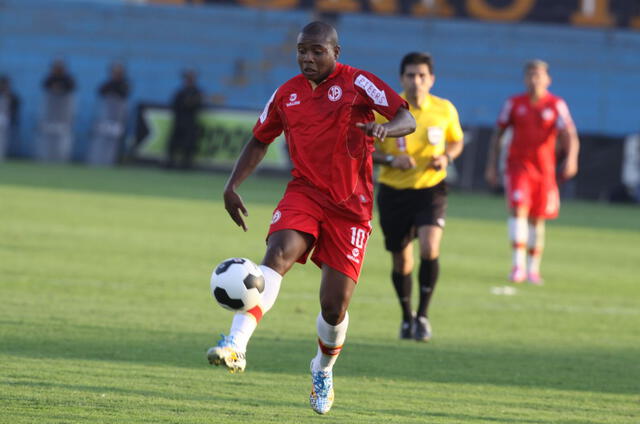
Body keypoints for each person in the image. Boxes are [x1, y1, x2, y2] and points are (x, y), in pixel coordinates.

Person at [207, 21, 415, 415]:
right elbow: (259, 139)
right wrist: (232, 185)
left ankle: (322, 368)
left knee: (334, 307)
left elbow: (408, 117)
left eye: (317, 50)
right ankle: (236, 344)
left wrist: (386, 129)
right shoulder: (286, 94)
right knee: (278, 254)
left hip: (351, 209)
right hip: (304, 193)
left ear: (336, 52)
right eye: (302, 50)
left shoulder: (358, 83)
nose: (307, 57)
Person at [372, 52, 464, 342]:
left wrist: (446, 157)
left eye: (422, 75)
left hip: (430, 188)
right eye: (411, 75)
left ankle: (423, 317)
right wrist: (390, 161)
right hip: (393, 192)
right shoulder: (387, 110)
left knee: (429, 247)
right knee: (402, 262)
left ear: (431, 79)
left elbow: (456, 139)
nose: (416, 80)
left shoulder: (444, 109)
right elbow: (365, 148)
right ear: (401, 79)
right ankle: (406, 317)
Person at [485, 60, 580, 284]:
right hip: (518, 167)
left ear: (548, 80)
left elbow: (570, 134)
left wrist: (572, 159)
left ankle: (533, 270)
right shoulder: (514, 103)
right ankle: (517, 266)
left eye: (538, 75)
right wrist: (491, 165)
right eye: (530, 75)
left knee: (537, 219)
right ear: (524, 79)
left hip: (545, 170)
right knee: (519, 211)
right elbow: (498, 134)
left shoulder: (556, 104)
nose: (534, 79)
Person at [87, 63, 130, 165]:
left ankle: (111, 161)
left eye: (118, 72)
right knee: (101, 140)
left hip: (117, 119)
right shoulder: (107, 84)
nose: (116, 75)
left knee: (114, 142)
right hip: (104, 118)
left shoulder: (125, 85)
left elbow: (123, 94)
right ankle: (97, 160)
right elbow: (101, 91)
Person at [37, 59, 76, 161]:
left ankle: (61, 159)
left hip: (64, 117)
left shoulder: (69, 80)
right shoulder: (49, 79)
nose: (57, 70)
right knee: (46, 139)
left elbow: (71, 88)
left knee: (62, 140)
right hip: (49, 116)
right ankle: (44, 158)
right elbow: (44, 86)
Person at [166, 69, 203, 169]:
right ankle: (170, 163)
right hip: (179, 121)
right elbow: (175, 105)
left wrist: (188, 104)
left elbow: (198, 105)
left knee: (189, 144)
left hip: (190, 122)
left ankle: (186, 164)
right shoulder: (180, 92)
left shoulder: (197, 92)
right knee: (173, 144)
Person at [0, 75, 20, 160]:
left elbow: (15, 109)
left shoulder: (12, 96)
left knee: (3, 139)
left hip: (6, 119)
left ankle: (1, 155)